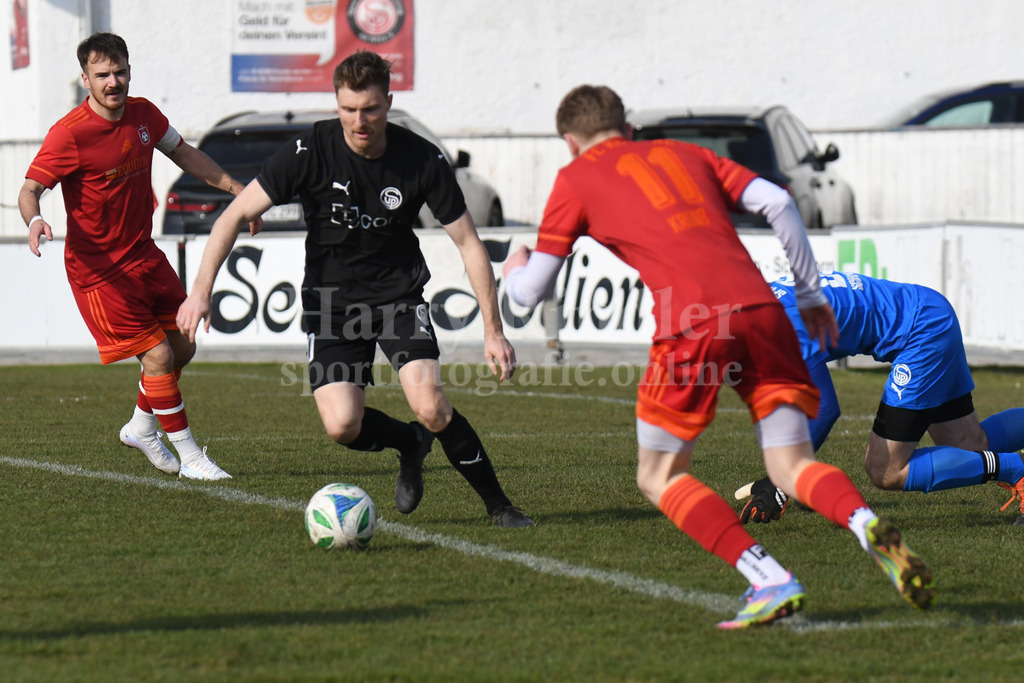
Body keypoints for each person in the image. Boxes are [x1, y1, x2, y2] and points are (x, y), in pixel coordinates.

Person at [503, 84, 935, 629]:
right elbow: (779, 202)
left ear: (570, 141)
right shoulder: (685, 153)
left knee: (659, 476)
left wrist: (514, 263)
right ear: (628, 128)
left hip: (694, 323)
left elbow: (529, 292)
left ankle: (768, 578)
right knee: (791, 467)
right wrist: (808, 293)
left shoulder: (576, 177)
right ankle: (865, 523)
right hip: (765, 311)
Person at [176, 50, 533, 528]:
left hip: (398, 299)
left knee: (430, 406)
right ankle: (410, 443)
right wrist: (200, 291)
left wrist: (494, 330)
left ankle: (500, 506)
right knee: (342, 425)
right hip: (332, 307)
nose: (359, 121)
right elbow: (234, 215)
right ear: (337, 104)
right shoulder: (310, 149)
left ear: (388, 102)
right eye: (348, 109)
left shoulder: (420, 158)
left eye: (369, 109)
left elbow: (469, 243)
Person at [18, 32, 257, 480]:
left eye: (120, 72)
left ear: (129, 70)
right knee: (159, 357)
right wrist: (35, 220)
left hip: (144, 255)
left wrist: (235, 189)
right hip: (99, 272)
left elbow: (183, 153)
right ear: (85, 79)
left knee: (182, 346)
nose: (113, 82)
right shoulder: (69, 133)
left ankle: (141, 428)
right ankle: (191, 457)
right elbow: (30, 189)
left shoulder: (144, 114)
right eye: (102, 75)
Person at [735, 270, 1024, 525]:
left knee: (886, 469)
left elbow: (824, 409)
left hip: (921, 333)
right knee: (971, 445)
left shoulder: (781, 327)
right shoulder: (761, 302)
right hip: (932, 311)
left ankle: (1016, 469)